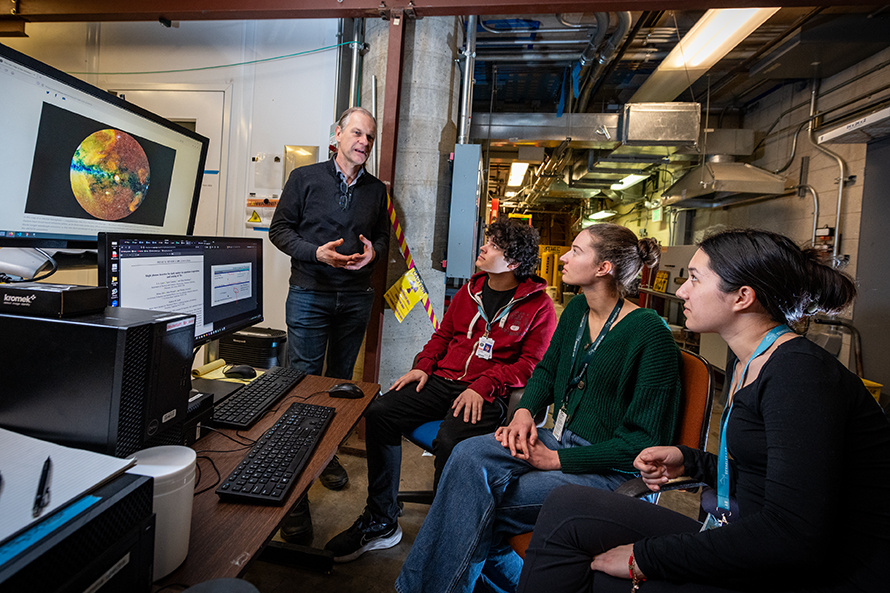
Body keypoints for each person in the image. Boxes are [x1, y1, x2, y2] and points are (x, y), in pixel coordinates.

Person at [516, 228, 890, 593]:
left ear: (742, 296)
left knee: (596, 572)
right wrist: (691, 462)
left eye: (694, 278)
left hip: (818, 571)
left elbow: (792, 536)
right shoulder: (750, 363)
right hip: (754, 536)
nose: (680, 291)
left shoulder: (800, 376)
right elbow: (763, 475)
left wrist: (645, 557)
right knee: (566, 506)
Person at [396, 223, 683, 593]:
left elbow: (641, 445)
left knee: (478, 500)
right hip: (557, 439)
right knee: (466, 455)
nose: (563, 256)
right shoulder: (578, 308)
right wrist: (523, 413)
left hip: (605, 468)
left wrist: (555, 461)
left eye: (576, 251)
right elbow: (546, 371)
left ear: (603, 268)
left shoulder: (649, 333)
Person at [325, 219, 558, 562]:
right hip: (442, 380)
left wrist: (484, 385)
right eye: (487, 240)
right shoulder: (470, 291)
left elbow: (531, 364)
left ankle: (442, 532)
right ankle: (381, 520)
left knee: (450, 442)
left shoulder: (539, 306)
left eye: (493, 245)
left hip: (487, 393)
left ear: (513, 264)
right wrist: (422, 365)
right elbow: (442, 337)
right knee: (380, 413)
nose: (483, 247)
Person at [268, 106, 389, 541]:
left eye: (370, 137)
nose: (364, 143)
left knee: (339, 383)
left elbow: (382, 237)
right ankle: (293, 484)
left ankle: (327, 454)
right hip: (310, 294)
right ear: (337, 134)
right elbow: (279, 231)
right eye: (357, 133)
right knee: (300, 384)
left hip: (355, 298)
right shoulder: (304, 179)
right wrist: (315, 253)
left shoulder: (376, 191)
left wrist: (374, 252)